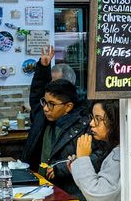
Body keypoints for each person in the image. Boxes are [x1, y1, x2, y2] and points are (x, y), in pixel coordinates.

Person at [23, 43, 90, 182]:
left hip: (63, 188)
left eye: (52, 104)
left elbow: (91, 158)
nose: (46, 108)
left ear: (68, 106)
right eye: (45, 102)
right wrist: (42, 67)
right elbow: (36, 96)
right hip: (36, 183)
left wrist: (62, 169)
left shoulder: (82, 124)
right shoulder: (42, 116)